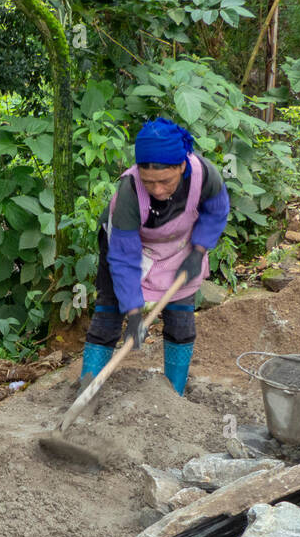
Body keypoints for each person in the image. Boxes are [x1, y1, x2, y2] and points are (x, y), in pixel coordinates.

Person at [79, 117, 231, 397]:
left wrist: (199, 250)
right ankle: (86, 392)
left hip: (179, 244)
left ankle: (175, 395)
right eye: (150, 183)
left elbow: (217, 210)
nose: (158, 190)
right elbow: (123, 259)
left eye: (165, 181)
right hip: (125, 247)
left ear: (182, 166)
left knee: (181, 320)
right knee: (108, 313)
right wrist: (135, 314)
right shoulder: (129, 193)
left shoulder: (205, 175)